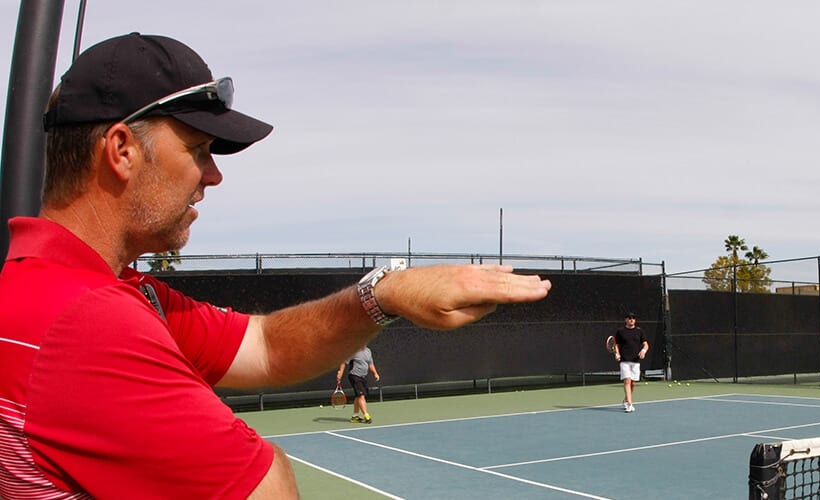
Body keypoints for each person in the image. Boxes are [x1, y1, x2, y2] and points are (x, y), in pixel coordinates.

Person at [0, 33, 551, 498]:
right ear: (121, 150)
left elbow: (264, 346)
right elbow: (264, 486)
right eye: (198, 149)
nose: (212, 176)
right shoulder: (87, 322)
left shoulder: (83, 291)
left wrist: (385, 293)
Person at [613, 312, 649, 413]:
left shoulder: (639, 331)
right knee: (627, 381)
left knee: (632, 383)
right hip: (624, 361)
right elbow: (616, 344)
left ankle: (625, 400)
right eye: (629, 318)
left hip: (635, 361)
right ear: (626, 320)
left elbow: (646, 344)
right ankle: (630, 404)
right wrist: (617, 354)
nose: (631, 319)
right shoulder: (620, 331)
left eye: (633, 318)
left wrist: (643, 351)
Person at [337, 347, 381, 423]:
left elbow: (370, 364)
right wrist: (340, 372)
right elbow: (344, 362)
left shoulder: (368, 351)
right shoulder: (353, 350)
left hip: (363, 376)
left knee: (358, 396)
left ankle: (355, 416)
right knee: (361, 395)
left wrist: (375, 373)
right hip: (354, 376)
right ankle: (366, 416)